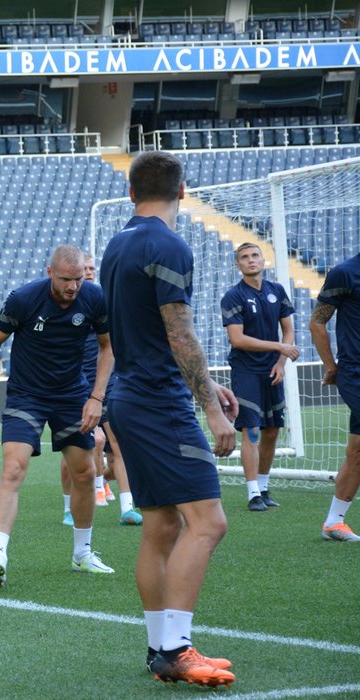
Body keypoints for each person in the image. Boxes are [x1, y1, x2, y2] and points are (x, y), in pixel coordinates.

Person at [99, 151, 237, 688]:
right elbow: (178, 332)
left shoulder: (117, 243)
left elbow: (148, 333)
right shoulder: (168, 244)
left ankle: (160, 650)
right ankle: (178, 649)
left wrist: (203, 383)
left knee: (160, 526)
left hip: (130, 395)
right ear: (183, 191)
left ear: (132, 193)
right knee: (209, 521)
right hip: (159, 402)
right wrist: (209, 407)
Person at [0, 244, 116, 587]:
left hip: (72, 395)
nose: (73, 287)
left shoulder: (94, 298)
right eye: (65, 279)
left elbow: (108, 347)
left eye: (78, 279)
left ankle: (82, 554)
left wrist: (96, 397)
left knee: (85, 471)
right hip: (26, 395)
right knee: (14, 467)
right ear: (50, 273)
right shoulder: (24, 299)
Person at [60, 253, 142, 527]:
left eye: (91, 270)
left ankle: (127, 506)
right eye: (83, 270)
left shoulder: (105, 305)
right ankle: (69, 506)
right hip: (75, 384)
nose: (88, 273)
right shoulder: (68, 307)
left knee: (118, 443)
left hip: (107, 382)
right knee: (77, 445)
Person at [220, 242, 299, 511]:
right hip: (246, 371)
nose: (251, 260)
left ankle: (264, 488)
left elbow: (288, 330)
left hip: (272, 370)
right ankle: (252, 492)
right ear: (238, 265)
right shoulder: (233, 296)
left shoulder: (277, 290)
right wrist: (279, 347)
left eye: (255, 255)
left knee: (273, 430)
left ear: (263, 260)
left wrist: (281, 362)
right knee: (252, 430)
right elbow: (237, 339)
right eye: (244, 257)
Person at [310, 253, 360, 542]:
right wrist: (332, 367)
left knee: (357, 451)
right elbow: (317, 323)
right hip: (355, 372)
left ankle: (333, 522)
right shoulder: (345, 272)